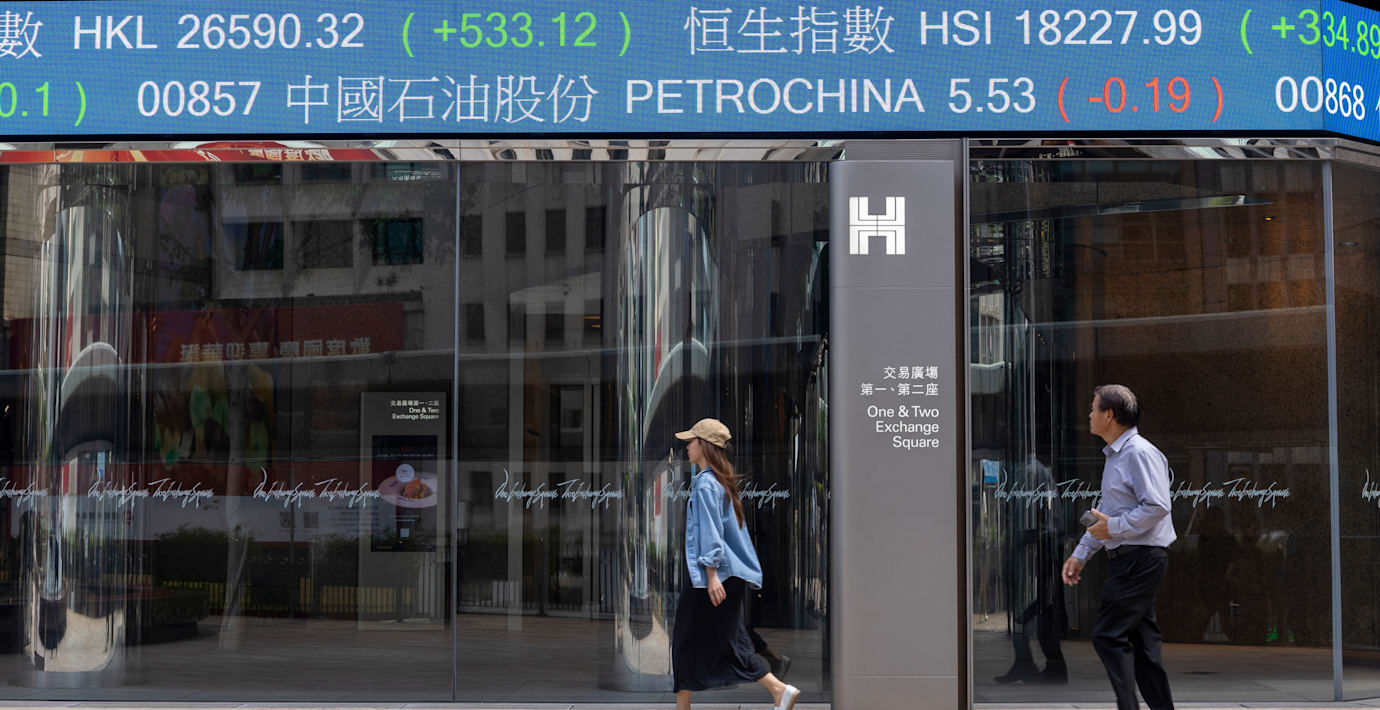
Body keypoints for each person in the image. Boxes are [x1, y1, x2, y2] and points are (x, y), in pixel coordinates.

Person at [672, 417, 799, 710]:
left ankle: (778, 689)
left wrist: (711, 575)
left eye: (691, 441)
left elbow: (711, 532)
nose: (687, 446)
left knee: (689, 639)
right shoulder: (721, 482)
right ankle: (684, 704)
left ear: (705, 445)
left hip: (714, 577)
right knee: (725, 639)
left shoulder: (706, 484)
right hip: (726, 575)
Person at [1062, 385, 1177, 710]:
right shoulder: (1117, 456)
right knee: (1144, 648)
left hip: (1139, 559)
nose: (1089, 415)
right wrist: (1081, 553)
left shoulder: (1138, 453)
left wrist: (1112, 527)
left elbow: (1157, 505)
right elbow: (1105, 512)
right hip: (1132, 558)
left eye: (1093, 408)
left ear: (1109, 414)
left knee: (1108, 636)